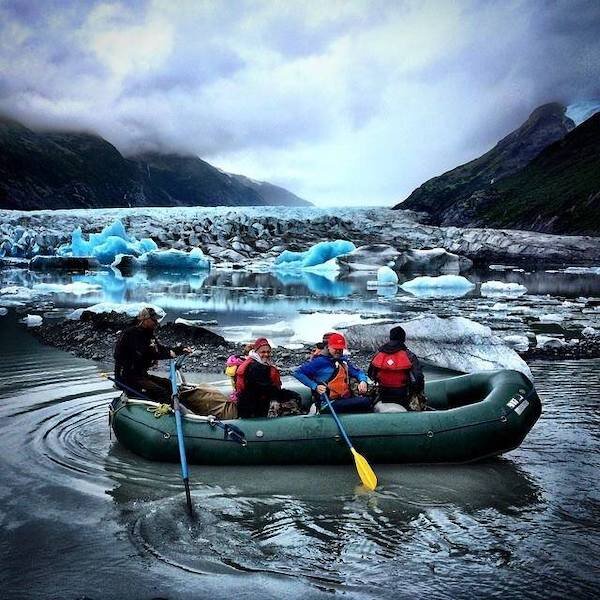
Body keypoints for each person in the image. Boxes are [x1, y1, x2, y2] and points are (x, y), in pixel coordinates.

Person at [113, 307, 192, 403]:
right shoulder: (131, 334)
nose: (156, 322)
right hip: (127, 377)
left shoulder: (148, 334)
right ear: (144, 319)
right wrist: (170, 354)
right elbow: (147, 353)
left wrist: (179, 350)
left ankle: (175, 406)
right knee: (160, 391)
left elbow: (159, 348)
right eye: (153, 319)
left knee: (168, 384)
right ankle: (163, 411)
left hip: (140, 375)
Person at [294, 332, 372, 414]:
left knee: (368, 399)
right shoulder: (319, 362)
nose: (338, 351)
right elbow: (298, 373)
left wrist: (363, 381)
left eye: (340, 349)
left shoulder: (343, 361)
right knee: (365, 402)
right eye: (335, 349)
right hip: (328, 403)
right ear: (328, 347)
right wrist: (315, 386)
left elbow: (358, 372)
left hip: (343, 398)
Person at [236, 337, 302, 418]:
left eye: (268, 352)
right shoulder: (255, 367)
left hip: (254, 401)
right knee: (293, 399)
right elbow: (267, 389)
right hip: (252, 407)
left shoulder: (259, 363)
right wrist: (289, 395)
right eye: (263, 352)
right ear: (256, 352)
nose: (266, 354)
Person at [367, 326, 425, 411]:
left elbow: (371, 374)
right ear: (403, 339)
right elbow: (418, 378)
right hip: (403, 395)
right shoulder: (409, 355)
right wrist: (417, 391)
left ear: (390, 337)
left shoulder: (379, 353)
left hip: (383, 394)